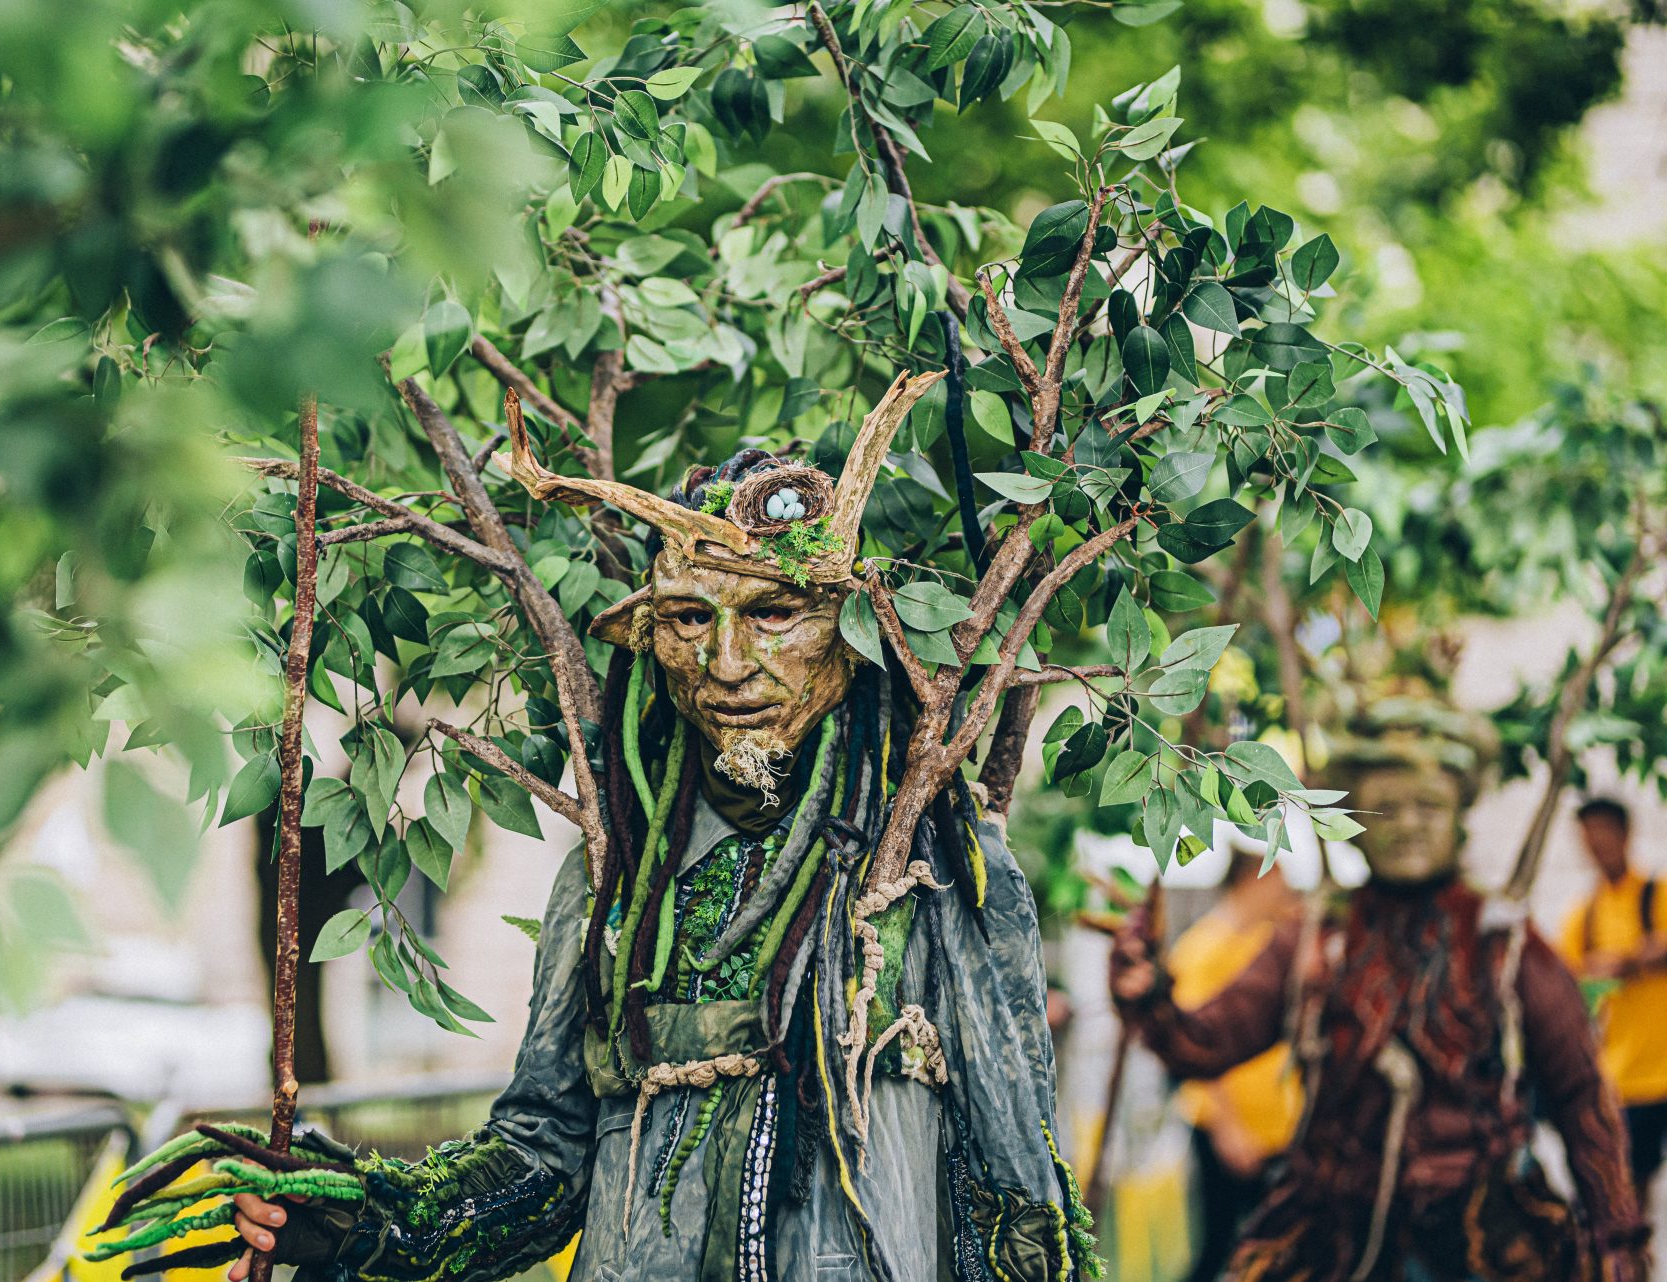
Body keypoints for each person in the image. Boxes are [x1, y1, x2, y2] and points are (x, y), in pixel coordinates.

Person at [94, 381, 1097, 1281]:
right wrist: (367, 1219)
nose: (731, 663)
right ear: (651, 637)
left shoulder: (942, 870)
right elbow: (541, 1159)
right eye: (693, 621)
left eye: (779, 611)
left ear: (858, 633)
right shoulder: (617, 875)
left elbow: (1018, 1203)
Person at [1108, 700, 1648, 1282]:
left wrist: (1616, 1240)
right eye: (1388, 807)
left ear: (1459, 816)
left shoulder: (1505, 944)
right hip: (1332, 1231)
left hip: (1485, 1237)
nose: (1409, 824)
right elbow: (1203, 1046)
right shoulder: (1315, 938)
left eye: (1429, 806)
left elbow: (1581, 1095)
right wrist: (1146, 996)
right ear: (1358, 824)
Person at [1165, 846, 1301, 1282]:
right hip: (1228, 1134)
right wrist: (1229, 1130)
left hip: (1276, 1133)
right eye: (1280, 878)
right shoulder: (1204, 948)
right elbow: (1197, 1051)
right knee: (1220, 1247)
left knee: (1275, 1250)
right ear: (1255, 879)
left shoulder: (1264, 941)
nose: (1288, 890)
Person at [1558, 797, 1667, 1208]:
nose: (1596, 843)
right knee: (1631, 1185)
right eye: (1587, 835)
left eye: (1603, 831)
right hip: (1626, 1079)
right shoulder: (1582, 917)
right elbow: (1569, 986)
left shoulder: (1656, 896)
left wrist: (1624, 963)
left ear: (1625, 834)